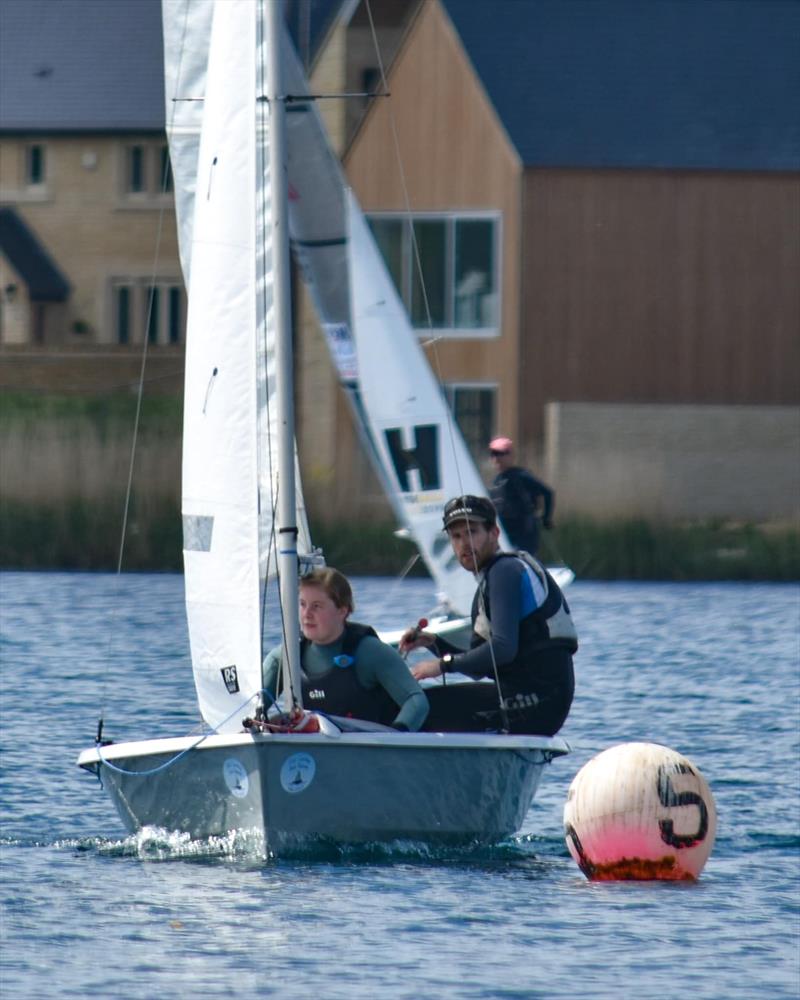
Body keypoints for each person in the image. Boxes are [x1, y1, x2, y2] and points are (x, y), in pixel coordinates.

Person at [399, 495, 576, 735]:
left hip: (535, 702)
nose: (464, 543)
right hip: (536, 701)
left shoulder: (504, 571)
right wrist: (434, 643)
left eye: (472, 532)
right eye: (456, 536)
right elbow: (479, 668)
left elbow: (503, 648)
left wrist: (441, 665)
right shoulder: (495, 576)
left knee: (416, 707)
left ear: (494, 533)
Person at [262, 567, 429, 731]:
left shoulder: (370, 652)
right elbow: (248, 707)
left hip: (366, 752)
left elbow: (416, 701)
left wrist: (396, 737)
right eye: (303, 604)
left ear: (342, 611)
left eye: (316, 606)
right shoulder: (284, 657)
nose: (306, 614)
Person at [488, 436, 554, 557]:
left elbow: (548, 493)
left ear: (511, 456)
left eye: (501, 454)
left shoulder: (521, 476)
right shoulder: (496, 481)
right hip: (505, 534)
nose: (496, 458)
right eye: (493, 454)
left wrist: (546, 519)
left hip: (524, 534)